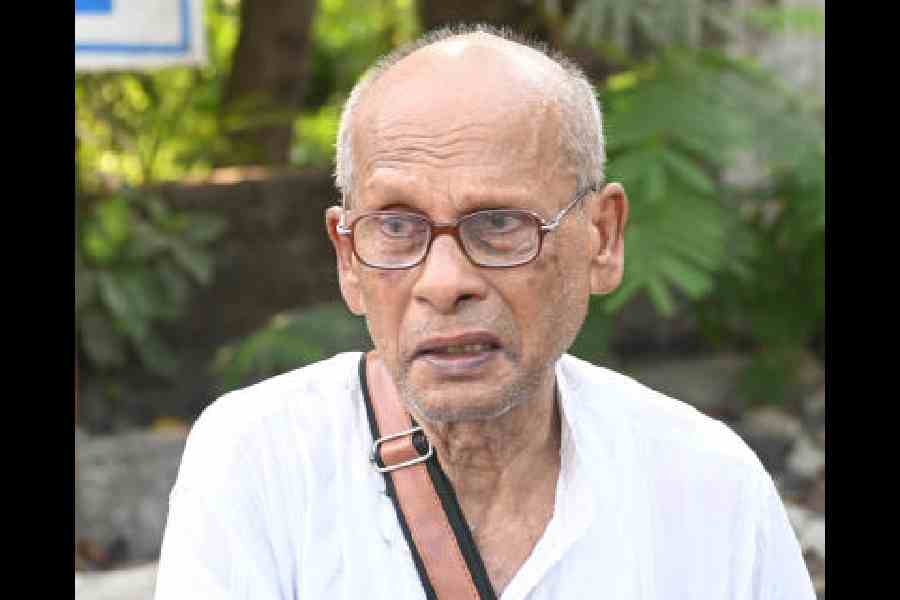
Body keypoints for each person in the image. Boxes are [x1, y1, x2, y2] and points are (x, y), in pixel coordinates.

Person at [154, 25, 816, 600]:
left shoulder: (706, 485)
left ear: (603, 238)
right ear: (348, 259)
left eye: (499, 223)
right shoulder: (262, 462)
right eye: (396, 226)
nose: (443, 283)